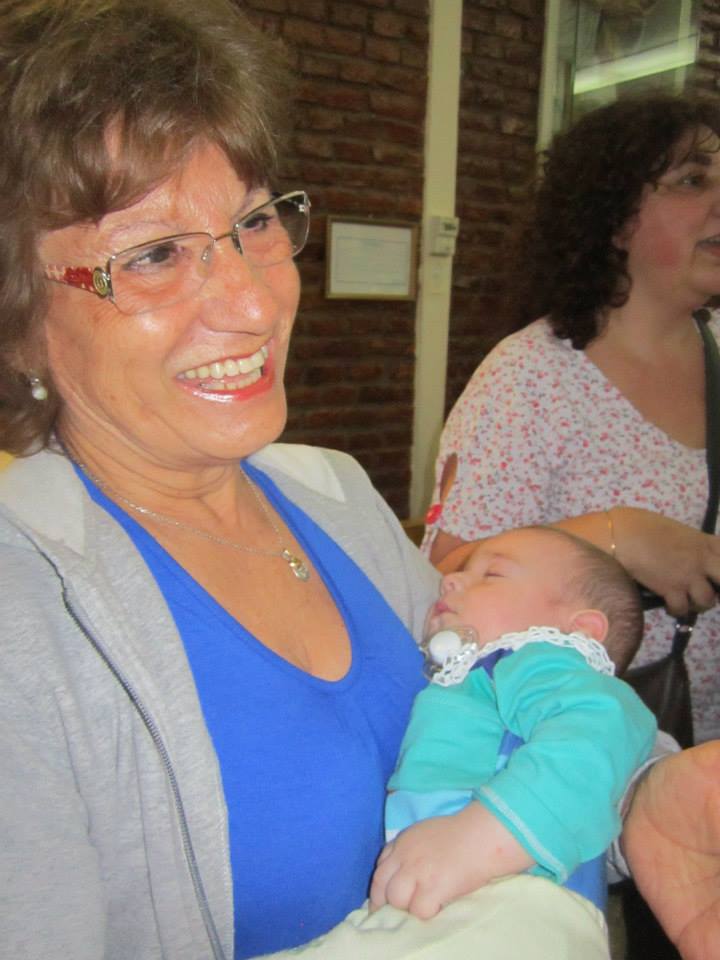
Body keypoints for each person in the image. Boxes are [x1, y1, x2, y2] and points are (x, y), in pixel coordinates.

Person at [0, 7, 718, 958]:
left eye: (255, 220)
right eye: (155, 254)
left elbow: (512, 701)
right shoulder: (23, 614)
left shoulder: (332, 497)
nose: (254, 301)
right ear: (18, 317)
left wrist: (639, 799)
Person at [425, 95, 720, 746]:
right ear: (614, 218)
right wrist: (618, 538)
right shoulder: (530, 378)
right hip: (583, 763)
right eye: (692, 180)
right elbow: (444, 579)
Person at [373, 527, 655, 926]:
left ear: (579, 631)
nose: (449, 579)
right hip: (446, 896)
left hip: (511, 897)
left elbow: (602, 727)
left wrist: (480, 839)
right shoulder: (474, 680)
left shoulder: (535, 659)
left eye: (492, 574)